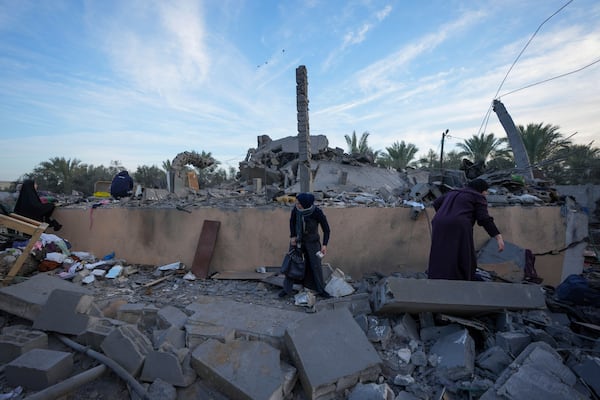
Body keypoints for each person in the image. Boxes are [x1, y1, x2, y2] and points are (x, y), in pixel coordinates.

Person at [427, 178, 504, 281]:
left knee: (441, 250)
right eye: (486, 191)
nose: (486, 194)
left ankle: (437, 276)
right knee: (463, 252)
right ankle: (462, 278)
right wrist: (498, 236)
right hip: (460, 225)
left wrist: (446, 214)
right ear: (481, 189)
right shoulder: (478, 197)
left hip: (439, 223)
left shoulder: (453, 192)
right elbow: (484, 219)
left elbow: (436, 203)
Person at [280, 192, 331, 298]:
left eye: (299, 203)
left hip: (312, 243)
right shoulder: (296, 210)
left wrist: (324, 245)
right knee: (292, 264)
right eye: (297, 203)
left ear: (306, 203)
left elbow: (326, 230)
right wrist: (293, 236)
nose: (297, 205)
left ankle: (321, 290)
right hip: (298, 241)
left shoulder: (316, 212)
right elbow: (292, 222)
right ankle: (286, 290)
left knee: (315, 265)